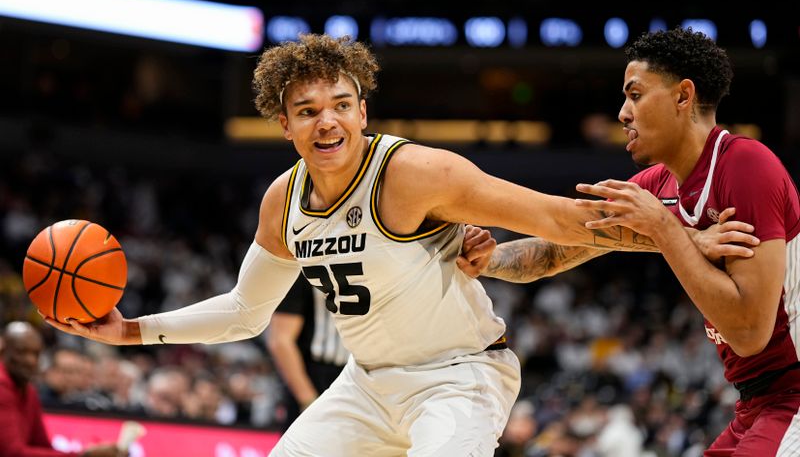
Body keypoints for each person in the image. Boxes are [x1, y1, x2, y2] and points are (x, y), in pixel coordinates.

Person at [45, 33, 674, 456]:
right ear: (284, 122)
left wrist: (681, 235)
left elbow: (555, 219)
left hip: (458, 377)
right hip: (366, 384)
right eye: (308, 109)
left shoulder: (415, 174)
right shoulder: (281, 201)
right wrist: (129, 332)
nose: (327, 121)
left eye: (341, 104)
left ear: (363, 112)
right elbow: (245, 312)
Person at [461, 27, 800, 456]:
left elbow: (750, 333)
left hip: (792, 394)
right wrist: (483, 260)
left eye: (635, 95)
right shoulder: (654, 186)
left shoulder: (747, 166)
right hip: (755, 403)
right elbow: (551, 253)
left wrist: (663, 227)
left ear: (683, 96)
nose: (623, 113)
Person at [0, 321, 125, 457]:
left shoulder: (29, 391)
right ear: (3, 351)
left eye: (35, 354)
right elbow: (12, 453)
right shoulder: (2, 387)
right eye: (21, 352)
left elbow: (42, 446)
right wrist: (84, 455)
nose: (30, 360)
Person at [266, 275, 349, 429]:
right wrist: (308, 399)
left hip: (355, 377)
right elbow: (280, 341)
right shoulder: (302, 272)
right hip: (315, 374)